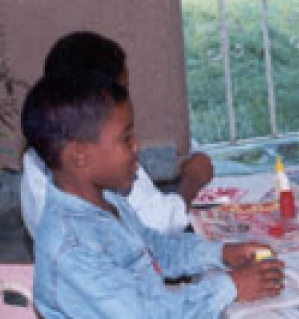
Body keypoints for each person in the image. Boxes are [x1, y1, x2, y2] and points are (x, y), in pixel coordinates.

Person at [23, 71, 284, 319]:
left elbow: (158, 250)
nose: (137, 146)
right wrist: (230, 286)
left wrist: (220, 254)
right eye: (125, 138)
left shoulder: (108, 202)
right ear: (80, 156)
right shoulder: (70, 248)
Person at [20, 30, 212, 236]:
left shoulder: (41, 161)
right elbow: (160, 224)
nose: (136, 146)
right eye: (121, 91)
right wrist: (193, 179)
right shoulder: (97, 192)